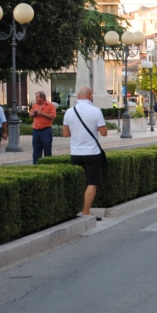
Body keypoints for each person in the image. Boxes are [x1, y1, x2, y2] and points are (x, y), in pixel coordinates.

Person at [63, 86, 108, 216]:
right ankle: (86, 211)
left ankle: (75, 209)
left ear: (78, 96)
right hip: (92, 153)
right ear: (90, 96)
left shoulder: (69, 112)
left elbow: (65, 134)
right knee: (92, 182)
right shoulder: (96, 111)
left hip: (75, 152)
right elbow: (104, 133)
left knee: (77, 182)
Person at [29, 91, 56, 165]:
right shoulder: (35, 105)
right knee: (36, 149)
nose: (36, 99)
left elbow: (53, 116)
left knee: (47, 149)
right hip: (36, 130)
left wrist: (41, 113)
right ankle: (36, 165)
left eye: (37, 97)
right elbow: (30, 114)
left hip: (46, 130)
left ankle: (48, 165)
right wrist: (34, 113)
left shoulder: (50, 105)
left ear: (42, 98)